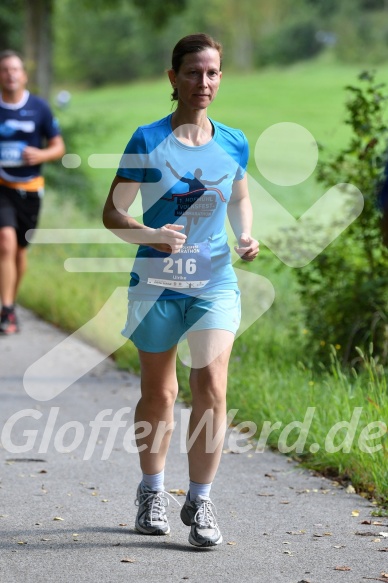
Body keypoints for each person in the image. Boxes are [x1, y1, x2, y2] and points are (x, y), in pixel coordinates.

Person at [103, 33, 259, 548]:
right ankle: (151, 491)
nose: (204, 82)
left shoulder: (233, 139)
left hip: (214, 281)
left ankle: (201, 498)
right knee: (160, 392)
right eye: (193, 72)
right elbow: (113, 214)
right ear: (174, 78)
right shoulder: (147, 140)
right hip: (156, 285)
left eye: (212, 72)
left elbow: (239, 195)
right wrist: (151, 235)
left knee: (212, 385)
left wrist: (244, 234)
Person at [0, 50, 65, 334]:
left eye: (15, 69)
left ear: (24, 75)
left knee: (19, 252)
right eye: (4, 70)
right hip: (2, 187)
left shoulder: (39, 108)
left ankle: (10, 301)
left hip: (30, 189)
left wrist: (41, 154)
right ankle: (8, 311)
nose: (11, 74)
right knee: (5, 241)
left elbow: (58, 147)